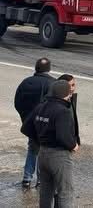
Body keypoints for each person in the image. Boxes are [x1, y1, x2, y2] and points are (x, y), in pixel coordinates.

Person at [21, 80, 78, 208]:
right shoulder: (63, 111)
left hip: (43, 154)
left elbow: (25, 128)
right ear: (67, 94)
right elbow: (63, 136)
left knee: (46, 191)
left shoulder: (40, 107)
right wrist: (73, 145)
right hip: (59, 156)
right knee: (65, 192)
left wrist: (40, 139)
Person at [14, 57, 54, 189]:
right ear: (49, 69)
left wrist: (26, 119)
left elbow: (18, 103)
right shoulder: (53, 84)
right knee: (44, 152)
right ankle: (41, 180)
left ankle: (27, 178)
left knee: (32, 149)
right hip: (46, 125)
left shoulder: (26, 82)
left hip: (30, 125)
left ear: (36, 68)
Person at [56, 75, 80, 147]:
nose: (72, 88)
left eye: (73, 85)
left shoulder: (70, 99)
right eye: (68, 86)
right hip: (60, 146)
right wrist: (71, 144)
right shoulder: (56, 104)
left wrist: (76, 140)